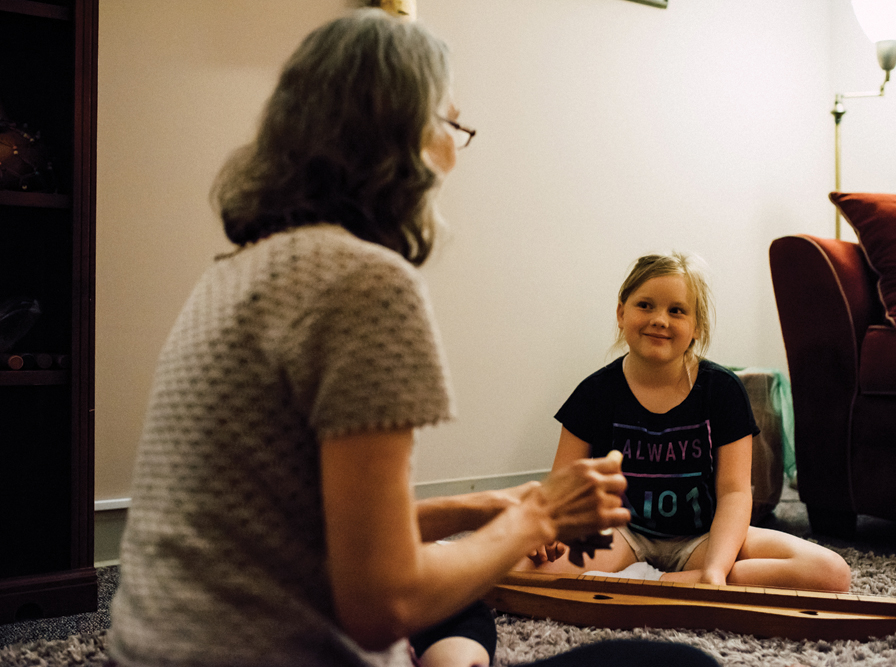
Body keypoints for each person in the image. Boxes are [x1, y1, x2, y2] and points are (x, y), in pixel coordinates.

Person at [107, 10, 720, 667]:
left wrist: (488, 507)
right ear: (406, 136)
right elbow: (383, 607)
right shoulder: (365, 282)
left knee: (456, 587)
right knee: (683, 664)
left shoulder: (231, 272)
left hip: (148, 652)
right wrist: (537, 514)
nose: (456, 150)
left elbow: (305, 522)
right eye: (453, 124)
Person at [519, 253, 852, 593]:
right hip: (618, 536)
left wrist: (716, 570)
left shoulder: (723, 390)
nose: (660, 320)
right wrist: (546, 531)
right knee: (512, 566)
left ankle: (657, 583)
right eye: (645, 305)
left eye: (676, 310)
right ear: (621, 313)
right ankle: (663, 583)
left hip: (704, 538)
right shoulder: (594, 393)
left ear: (697, 328)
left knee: (830, 573)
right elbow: (559, 491)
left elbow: (735, 493)